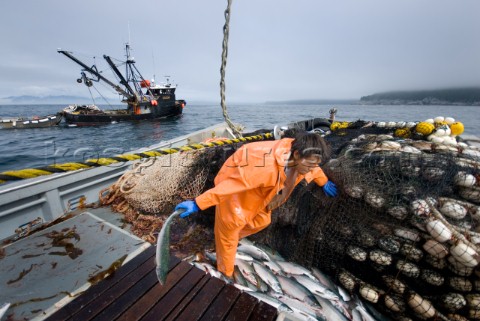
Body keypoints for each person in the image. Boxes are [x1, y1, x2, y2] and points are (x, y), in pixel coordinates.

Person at [175, 132, 337, 277]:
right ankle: (225, 271)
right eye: (309, 165)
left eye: (315, 164)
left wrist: (324, 182)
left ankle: (227, 240)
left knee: (262, 221)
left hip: (259, 187)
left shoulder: (303, 155)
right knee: (232, 225)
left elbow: (314, 168)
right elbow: (229, 187)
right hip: (236, 181)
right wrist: (198, 203)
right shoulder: (264, 168)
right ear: (296, 154)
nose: (312, 169)